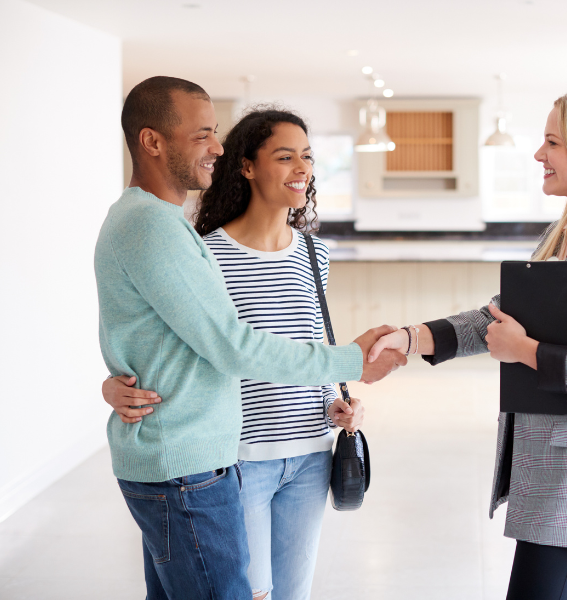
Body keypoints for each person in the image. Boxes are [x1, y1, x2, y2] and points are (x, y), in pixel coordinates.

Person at [96, 77, 405, 600]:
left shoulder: (173, 227)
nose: (216, 145)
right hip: (218, 458)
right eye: (203, 135)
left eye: (307, 156)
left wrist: (336, 394)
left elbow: (155, 334)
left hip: (293, 450)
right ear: (153, 141)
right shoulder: (169, 233)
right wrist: (349, 361)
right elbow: (230, 345)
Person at [368, 86, 567, 600]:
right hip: (549, 465)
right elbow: (496, 319)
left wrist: (525, 351)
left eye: (552, 142)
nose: (538, 155)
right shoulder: (565, 233)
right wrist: (413, 337)